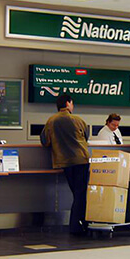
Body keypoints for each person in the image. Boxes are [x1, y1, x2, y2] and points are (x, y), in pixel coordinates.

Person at [41, 95, 91, 235]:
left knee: (76, 192)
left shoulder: (51, 121)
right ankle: (77, 226)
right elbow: (86, 137)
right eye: (72, 103)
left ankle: (77, 225)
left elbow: (45, 141)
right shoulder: (78, 120)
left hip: (65, 162)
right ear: (68, 103)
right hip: (81, 160)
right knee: (80, 194)